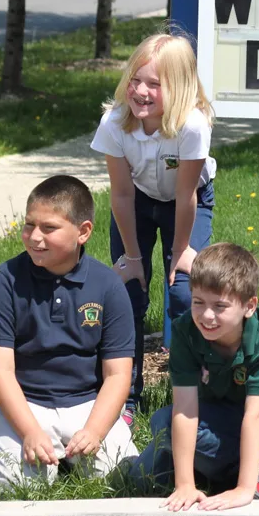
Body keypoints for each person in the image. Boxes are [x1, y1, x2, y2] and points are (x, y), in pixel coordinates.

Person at [0, 175, 136, 491]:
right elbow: (0, 371)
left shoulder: (108, 286)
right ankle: (33, 446)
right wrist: (30, 432)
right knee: (21, 487)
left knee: (123, 479)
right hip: (24, 401)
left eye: (48, 228)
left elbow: (118, 375)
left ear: (83, 232)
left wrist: (95, 430)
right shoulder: (3, 282)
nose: (34, 236)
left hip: (86, 401)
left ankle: (77, 449)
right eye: (29, 225)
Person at [90, 32, 216, 423]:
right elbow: (122, 195)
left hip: (187, 200)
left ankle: (187, 393)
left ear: (177, 88)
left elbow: (185, 196)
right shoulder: (114, 122)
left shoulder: (192, 126)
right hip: (137, 202)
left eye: (154, 84)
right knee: (128, 294)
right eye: (135, 80)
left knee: (183, 293)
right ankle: (125, 396)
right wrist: (131, 257)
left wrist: (181, 252)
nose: (141, 91)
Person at [130, 243, 259, 510]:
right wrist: (185, 484)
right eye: (198, 302)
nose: (207, 315)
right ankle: (211, 471)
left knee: (164, 423)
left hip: (256, 416)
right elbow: (184, 408)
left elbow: (256, 416)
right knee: (141, 480)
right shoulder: (185, 331)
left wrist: (243, 490)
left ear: (249, 306)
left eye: (220, 306)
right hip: (212, 408)